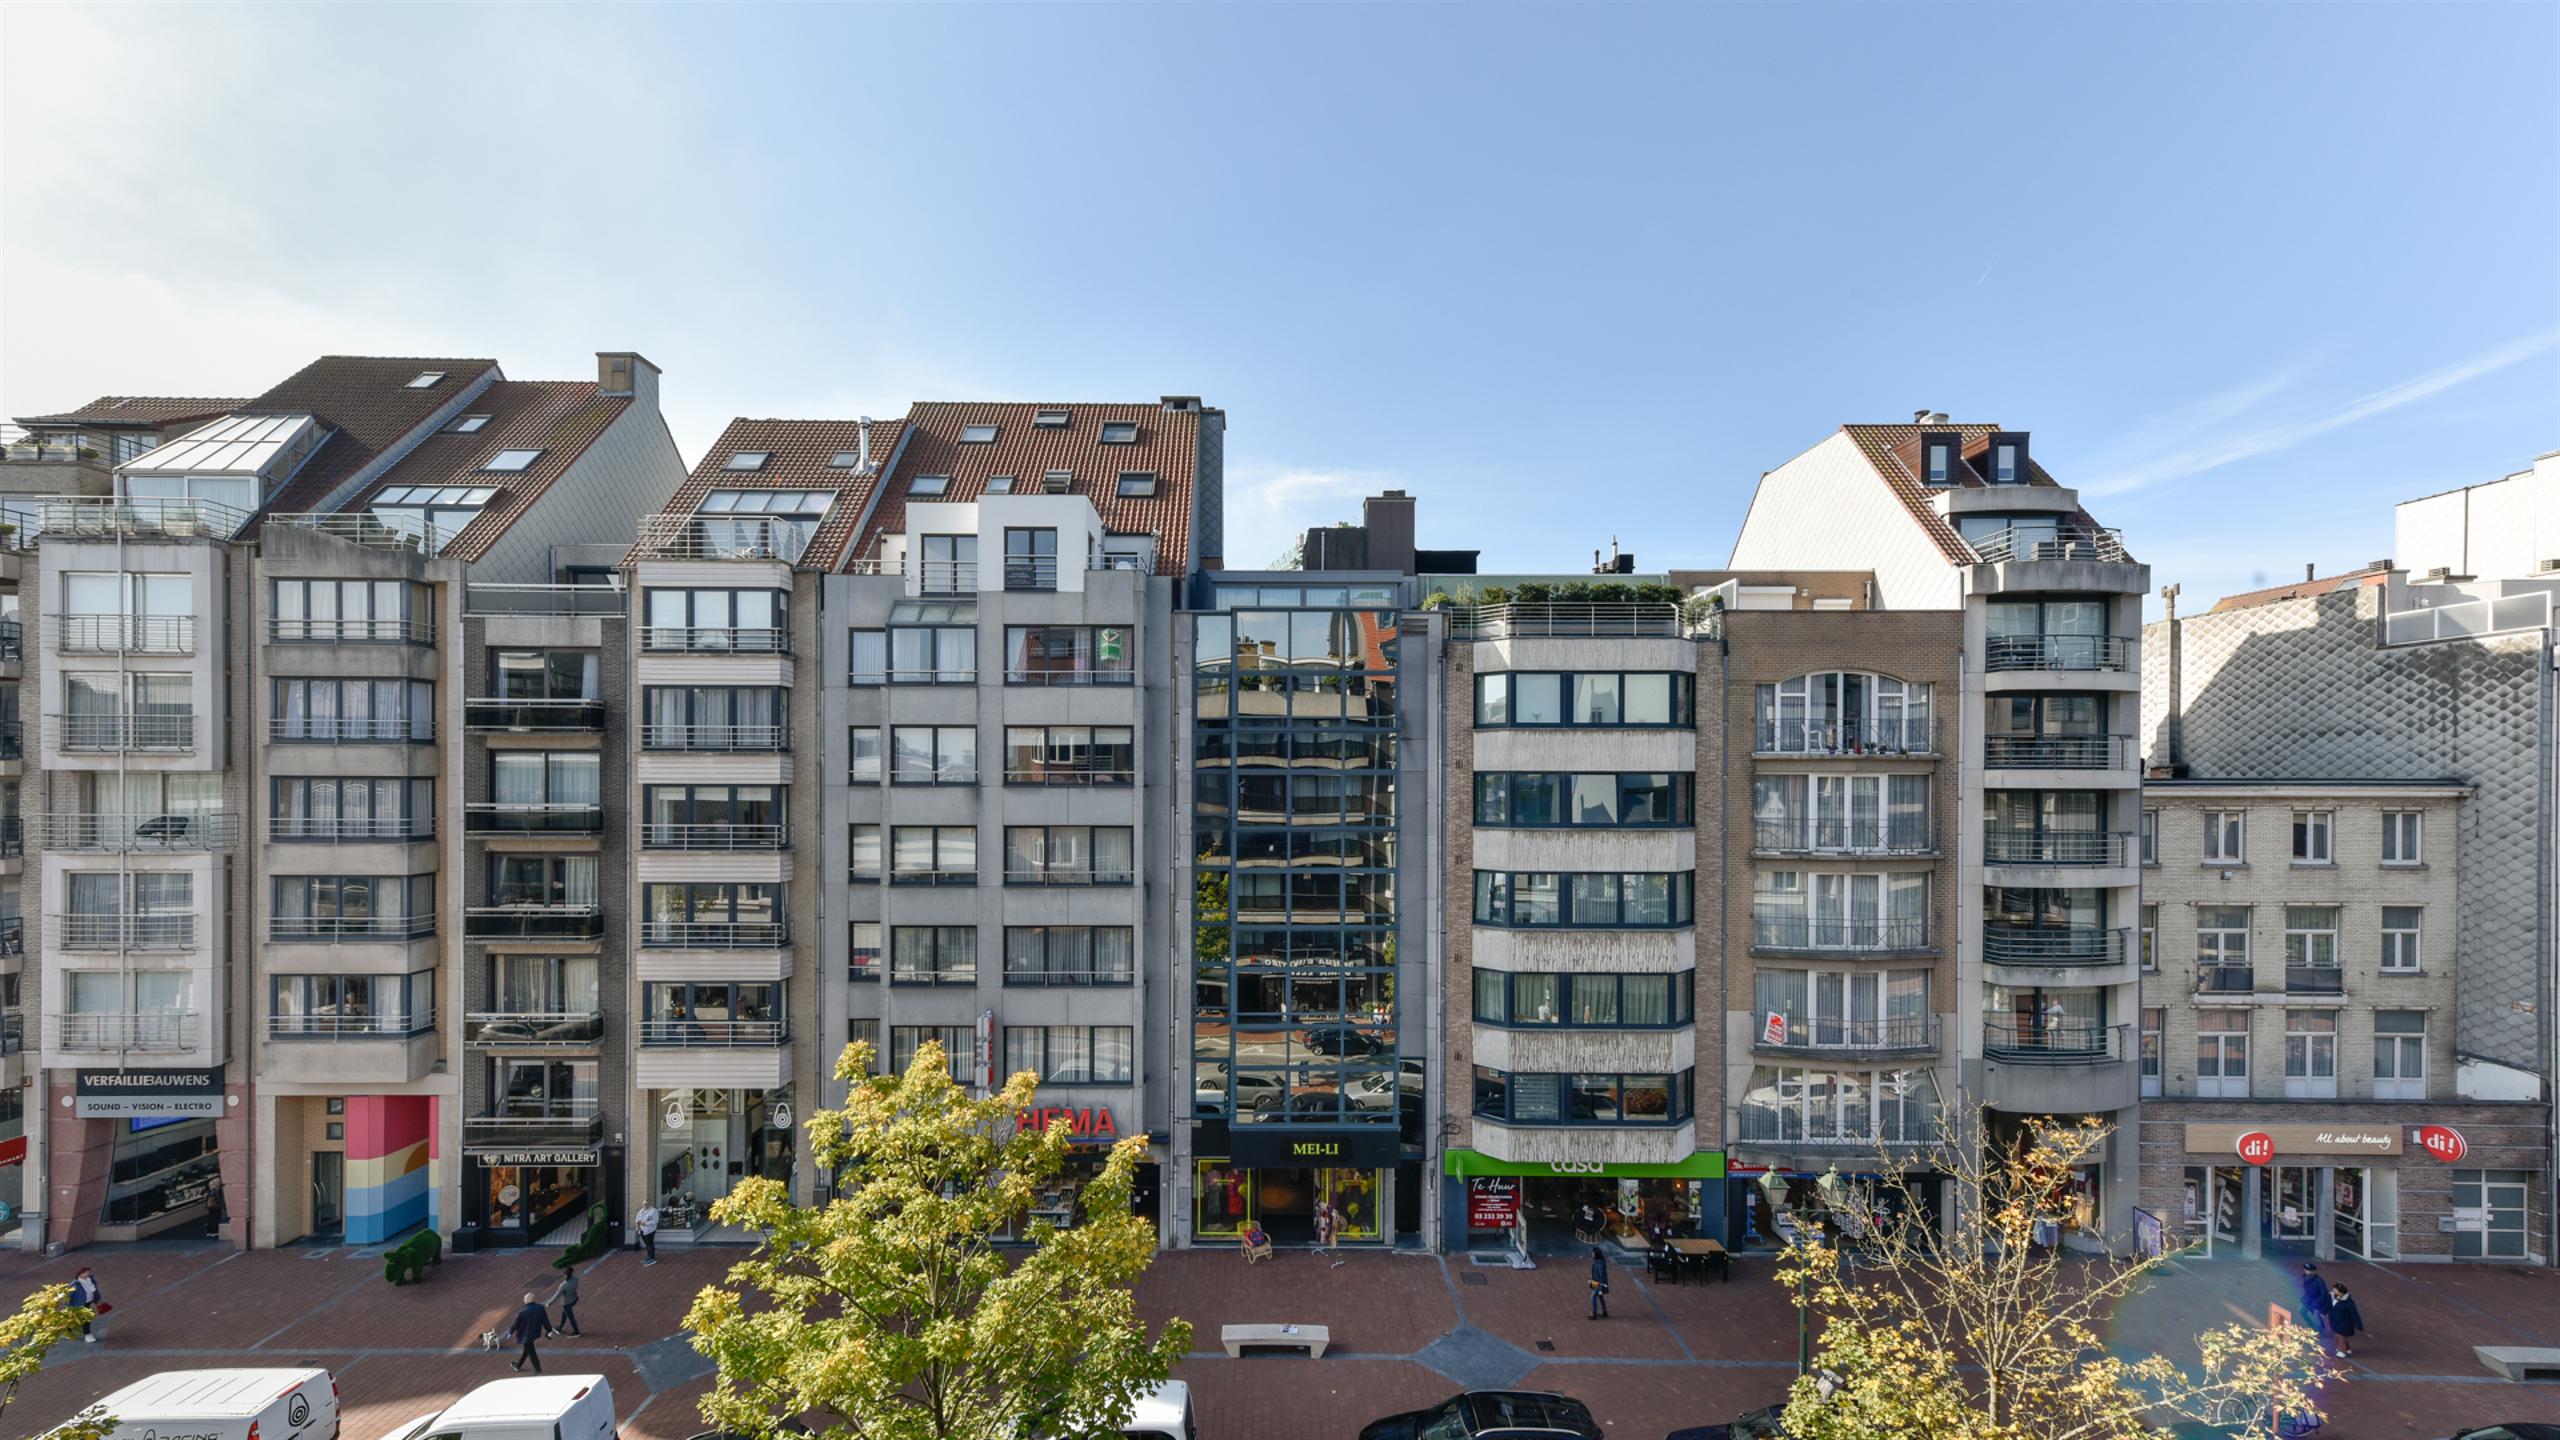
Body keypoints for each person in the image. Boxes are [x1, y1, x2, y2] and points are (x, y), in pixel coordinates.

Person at [507, 1291, 553, 1372]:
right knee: (527, 1350)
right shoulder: (540, 1307)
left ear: (526, 1301)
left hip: (525, 1335)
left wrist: (510, 1332)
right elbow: (545, 1320)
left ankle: (538, 1370)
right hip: (534, 1333)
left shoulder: (522, 1312)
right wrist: (549, 1330)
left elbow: (516, 1324)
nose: (523, 1301)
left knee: (532, 1353)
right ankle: (518, 1365)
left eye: (524, 1299)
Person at [64, 1267, 103, 1343]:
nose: (87, 1274)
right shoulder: (75, 1284)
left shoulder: (91, 1280)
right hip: (78, 1305)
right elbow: (68, 1296)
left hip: (87, 1303)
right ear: (80, 1274)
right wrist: (69, 1306)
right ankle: (87, 1334)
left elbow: (95, 1290)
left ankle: (69, 1331)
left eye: (88, 1272)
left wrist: (98, 1299)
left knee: (82, 1318)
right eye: (85, 1273)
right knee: (84, 1319)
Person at [2296, 1262, 2333, 1337]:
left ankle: (2320, 1333)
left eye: (2308, 1270)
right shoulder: (2306, 1278)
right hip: (2307, 1300)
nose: (2306, 1271)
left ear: (2313, 1271)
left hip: (2316, 1302)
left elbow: (2324, 1294)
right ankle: (2313, 1328)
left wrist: (2318, 1302)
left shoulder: (2319, 1281)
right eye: (2305, 1269)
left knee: (2317, 1318)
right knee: (2301, 1310)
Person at [2327, 1283, 2364, 1357]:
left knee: (2341, 1337)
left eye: (2335, 1291)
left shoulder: (2349, 1303)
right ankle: (2347, 1348)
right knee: (2339, 1336)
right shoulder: (2333, 1297)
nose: (2333, 1292)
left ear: (2341, 1292)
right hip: (2336, 1322)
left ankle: (2342, 1351)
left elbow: (2355, 1314)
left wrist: (2359, 1326)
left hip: (2345, 1324)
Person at [552, 1266, 583, 1337]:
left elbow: (556, 1295)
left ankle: (576, 1331)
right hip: (574, 1299)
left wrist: (549, 1303)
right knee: (564, 1313)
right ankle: (559, 1328)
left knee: (571, 1317)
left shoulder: (563, 1285)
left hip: (566, 1303)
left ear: (565, 1275)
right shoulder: (576, 1279)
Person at [1587, 1247, 1611, 1320]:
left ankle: (1594, 1313)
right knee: (1600, 1297)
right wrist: (1591, 1279)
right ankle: (1604, 1311)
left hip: (1598, 1284)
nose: (1592, 1254)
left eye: (1593, 1253)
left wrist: (1601, 1289)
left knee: (1593, 1297)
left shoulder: (1599, 1264)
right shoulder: (1598, 1261)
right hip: (1597, 1282)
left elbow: (1602, 1277)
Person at [634, 1200, 660, 1266]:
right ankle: (649, 1256)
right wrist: (637, 1223)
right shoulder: (641, 1211)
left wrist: (645, 1223)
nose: (645, 1205)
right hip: (642, 1230)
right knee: (647, 1244)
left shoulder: (653, 1211)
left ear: (649, 1204)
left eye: (646, 1204)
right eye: (644, 1204)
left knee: (649, 1244)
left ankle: (652, 1258)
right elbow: (637, 1218)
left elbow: (655, 1221)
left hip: (650, 1230)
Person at [203, 1174, 227, 1240]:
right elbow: (218, 1199)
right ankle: (214, 1231)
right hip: (215, 1206)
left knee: (211, 1218)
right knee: (215, 1218)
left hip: (210, 1207)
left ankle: (209, 1231)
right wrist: (220, 1204)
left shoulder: (210, 1190)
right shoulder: (216, 1191)